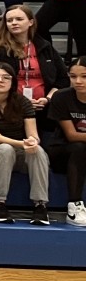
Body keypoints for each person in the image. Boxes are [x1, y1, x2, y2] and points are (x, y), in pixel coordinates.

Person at [0, 60, 51, 225]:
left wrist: (32, 142)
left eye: (5, 77)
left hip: (19, 150)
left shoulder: (22, 102)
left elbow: (33, 135)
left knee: (38, 151)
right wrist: (23, 144)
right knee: (5, 148)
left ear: (12, 82)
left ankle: (40, 206)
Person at [46, 59, 86, 226]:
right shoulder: (62, 97)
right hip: (62, 151)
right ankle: (74, 206)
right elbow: (72, 135)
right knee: (79, 147)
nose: (78, 81)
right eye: (73, 76)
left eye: (84, 76)